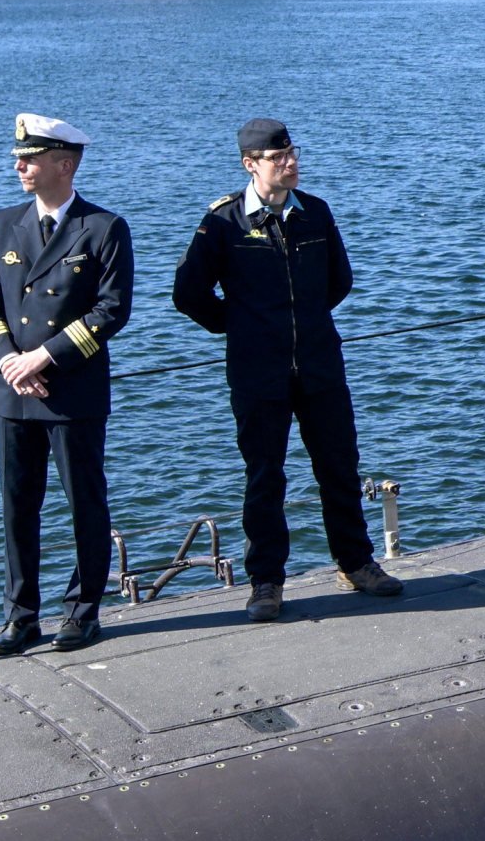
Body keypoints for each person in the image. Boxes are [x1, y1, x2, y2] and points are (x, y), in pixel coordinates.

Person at [171, 117, 401, 620]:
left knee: (339, 467)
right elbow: (187, 293)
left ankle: (356, 563)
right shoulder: (223, 223)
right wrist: (239, 327)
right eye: (278, 158)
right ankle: (267, 582)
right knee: (264, 476)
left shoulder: (315, 213)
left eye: (293, 154)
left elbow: (339, 281)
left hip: (319, 364)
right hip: (259, 372)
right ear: (251, 165)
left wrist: (309, 322)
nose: (291, 163)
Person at [0, 112, 134, 654]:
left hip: (71, 391)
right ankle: (21, 616)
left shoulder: (103, 228)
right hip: (14, 391)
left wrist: (42, 357)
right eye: (20, 158)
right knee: (18, 508)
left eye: (31, 158)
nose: (20, 166)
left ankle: (83, 611)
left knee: (84, 503)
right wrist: (8, 362)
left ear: (64, 165)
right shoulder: (4, 224)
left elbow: (112, 311)